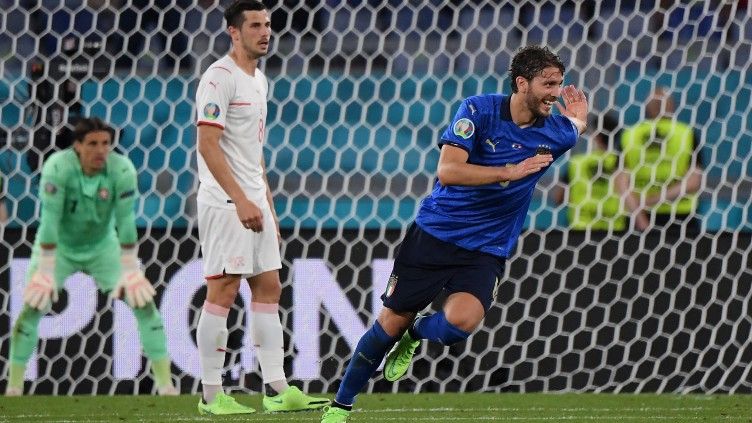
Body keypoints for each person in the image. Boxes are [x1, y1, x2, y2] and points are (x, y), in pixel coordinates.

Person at [320, 45, 588, 422]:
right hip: (436, 235)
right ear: (521, 83)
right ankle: (340, 406)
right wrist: (508, 171)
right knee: (388, 325)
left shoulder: (556, 133)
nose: (556, 93)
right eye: (548, 84)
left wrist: (579, 122)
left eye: (560, 84)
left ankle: (416, 334)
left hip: (486, 249)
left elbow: (574, 128)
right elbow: (447, 171)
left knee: (460, 325)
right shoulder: (478, 110)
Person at [193, 0, 329, 415]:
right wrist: (240, 200)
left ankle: (276, 388)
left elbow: (254, 152)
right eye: (255, 25)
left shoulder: (259, 80)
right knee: (224, 288)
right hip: (224, 202)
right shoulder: (219, 77)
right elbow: (208, 145)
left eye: (268, 24)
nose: (265, 32)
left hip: (253, 201)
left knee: (269, 286)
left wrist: (266, 204)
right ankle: (211, 394)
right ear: (233, 32)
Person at [5, 117, 177, 396]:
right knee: (31, 308)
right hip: (58, 248)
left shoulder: (122, 170)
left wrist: (131, 267)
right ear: (77, 146)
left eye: (106, 143)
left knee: (144, 304)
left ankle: (166, 385)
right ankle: (13, 388)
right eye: (93, 144)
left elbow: (126, 221)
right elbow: (49, 221)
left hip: (102, 247)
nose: (101, 150)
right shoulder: (57, 168)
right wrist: (46, 269)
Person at [614, 87, 703, 233]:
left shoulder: (630, 135)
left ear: (647, 108)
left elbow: (620, 183)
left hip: (639, 215)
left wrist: (640, 217)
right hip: (680, 216)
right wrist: (658, 198)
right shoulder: (685, 133)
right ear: (672, 106)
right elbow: (694, 181)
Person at [553, 113, 626, 231]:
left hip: (580, 230)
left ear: (596, 136)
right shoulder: (621, 164)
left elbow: (559, 198)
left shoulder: (577, 163)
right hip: (614, 230)